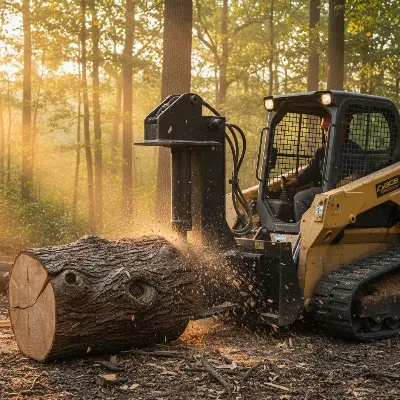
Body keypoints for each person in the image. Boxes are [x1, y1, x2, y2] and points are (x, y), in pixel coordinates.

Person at [283, 115, 363, 222]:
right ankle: (304, 226)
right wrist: (295, 180)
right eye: (325, 130)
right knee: (302, 197)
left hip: (345, 193)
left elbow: (361, 173)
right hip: (324, 190)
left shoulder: (354, 150)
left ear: (343, 130)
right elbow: (310, 172)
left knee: (301, 198)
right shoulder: (321, 151)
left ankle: (303, 230)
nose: (327, 133)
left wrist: (347, 181)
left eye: (330, 129)